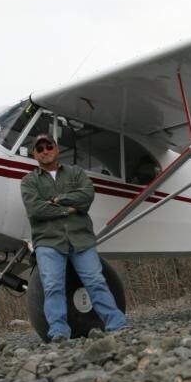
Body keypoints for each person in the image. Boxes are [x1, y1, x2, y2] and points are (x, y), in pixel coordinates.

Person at [21, 134, 128, 343]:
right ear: (34, 154)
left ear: (56, 149)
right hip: (48, 241)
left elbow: (86, 196)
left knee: (96, 281)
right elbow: (35, 210)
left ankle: (117, 324)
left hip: (80, 238)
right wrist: (67, 210)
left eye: (48, 146)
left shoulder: (76, 173)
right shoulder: (28, 181)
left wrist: (58, 200)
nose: (45, 151)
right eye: (40, 148)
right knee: (52, 286)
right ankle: (59, 332)